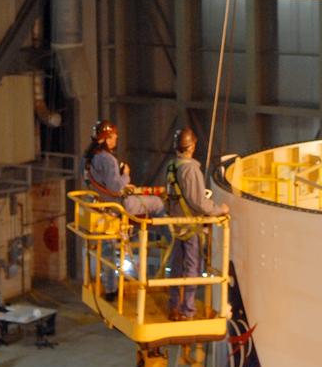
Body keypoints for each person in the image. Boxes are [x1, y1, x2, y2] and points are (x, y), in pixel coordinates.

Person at [84, 120, 164, 297]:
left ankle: (111, 289)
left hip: (103, 208)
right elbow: (115, 188)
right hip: (119, 205)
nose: (115, 140)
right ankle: (171, 237)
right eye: (113, 137)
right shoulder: (109, 159)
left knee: (108, 249)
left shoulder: (90, 158)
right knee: (158, 203)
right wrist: (126, 175)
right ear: (106, 138)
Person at [165, 127, 228, 321]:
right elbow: (199, 202)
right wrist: (220, 209)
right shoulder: (190, 169)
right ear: (191, 146)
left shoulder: (172, 166)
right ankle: (187, 310)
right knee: (192, 266)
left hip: (176, 224)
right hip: (190, 225)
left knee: (176, 264)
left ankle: (174, 305)